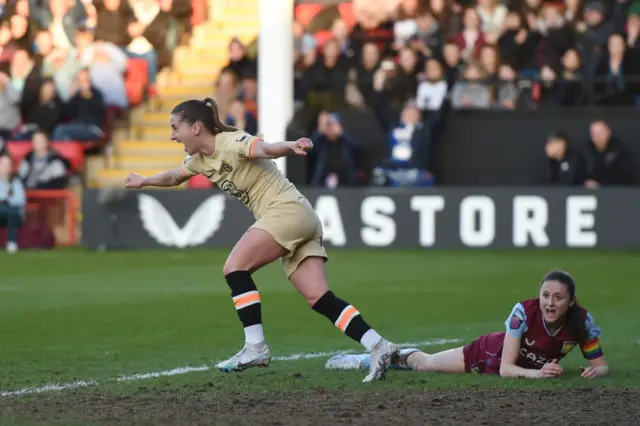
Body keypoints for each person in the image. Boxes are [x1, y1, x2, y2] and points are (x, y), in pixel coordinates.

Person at [123, 97, 399, 383]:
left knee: (235, 267)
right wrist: (145, 181)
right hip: (300, 217)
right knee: (319, 298)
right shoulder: (199, 161)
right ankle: (379, 346)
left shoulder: (231, 142)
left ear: (195, 128)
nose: (171, 135)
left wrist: (290, 147)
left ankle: (255, 347)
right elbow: (174, 177)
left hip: (286, 211)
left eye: (174, 128)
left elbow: (264, 148)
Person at [326, 270, 610, 379]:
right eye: (545, 295)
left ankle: (382, 356)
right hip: (490, 352)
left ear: (571, 301)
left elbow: (601, 365)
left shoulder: (582, 323)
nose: (550, 302)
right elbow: (506, 368)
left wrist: (595, 373)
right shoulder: (523, 312)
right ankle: (365, 359)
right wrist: (539, 374)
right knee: (426, 364)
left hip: (519, 364)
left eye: (558, 298)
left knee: (427, 363)